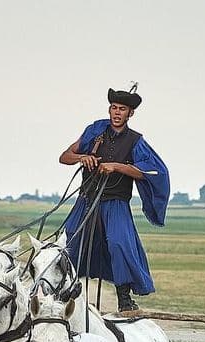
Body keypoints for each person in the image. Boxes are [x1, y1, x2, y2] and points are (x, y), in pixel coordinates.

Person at [58, 85, 170, 312]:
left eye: (122, 109)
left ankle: (124, 298)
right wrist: (83, 158)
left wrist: (118, 167)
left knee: (119, 243)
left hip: (116, 203)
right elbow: (64, 157)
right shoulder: (95, 130)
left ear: (131, 114)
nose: (117, 113)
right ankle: (63, 292)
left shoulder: (136, 141)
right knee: (70, 241)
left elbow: (150, 172)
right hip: (87, 200)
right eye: (114, 108)